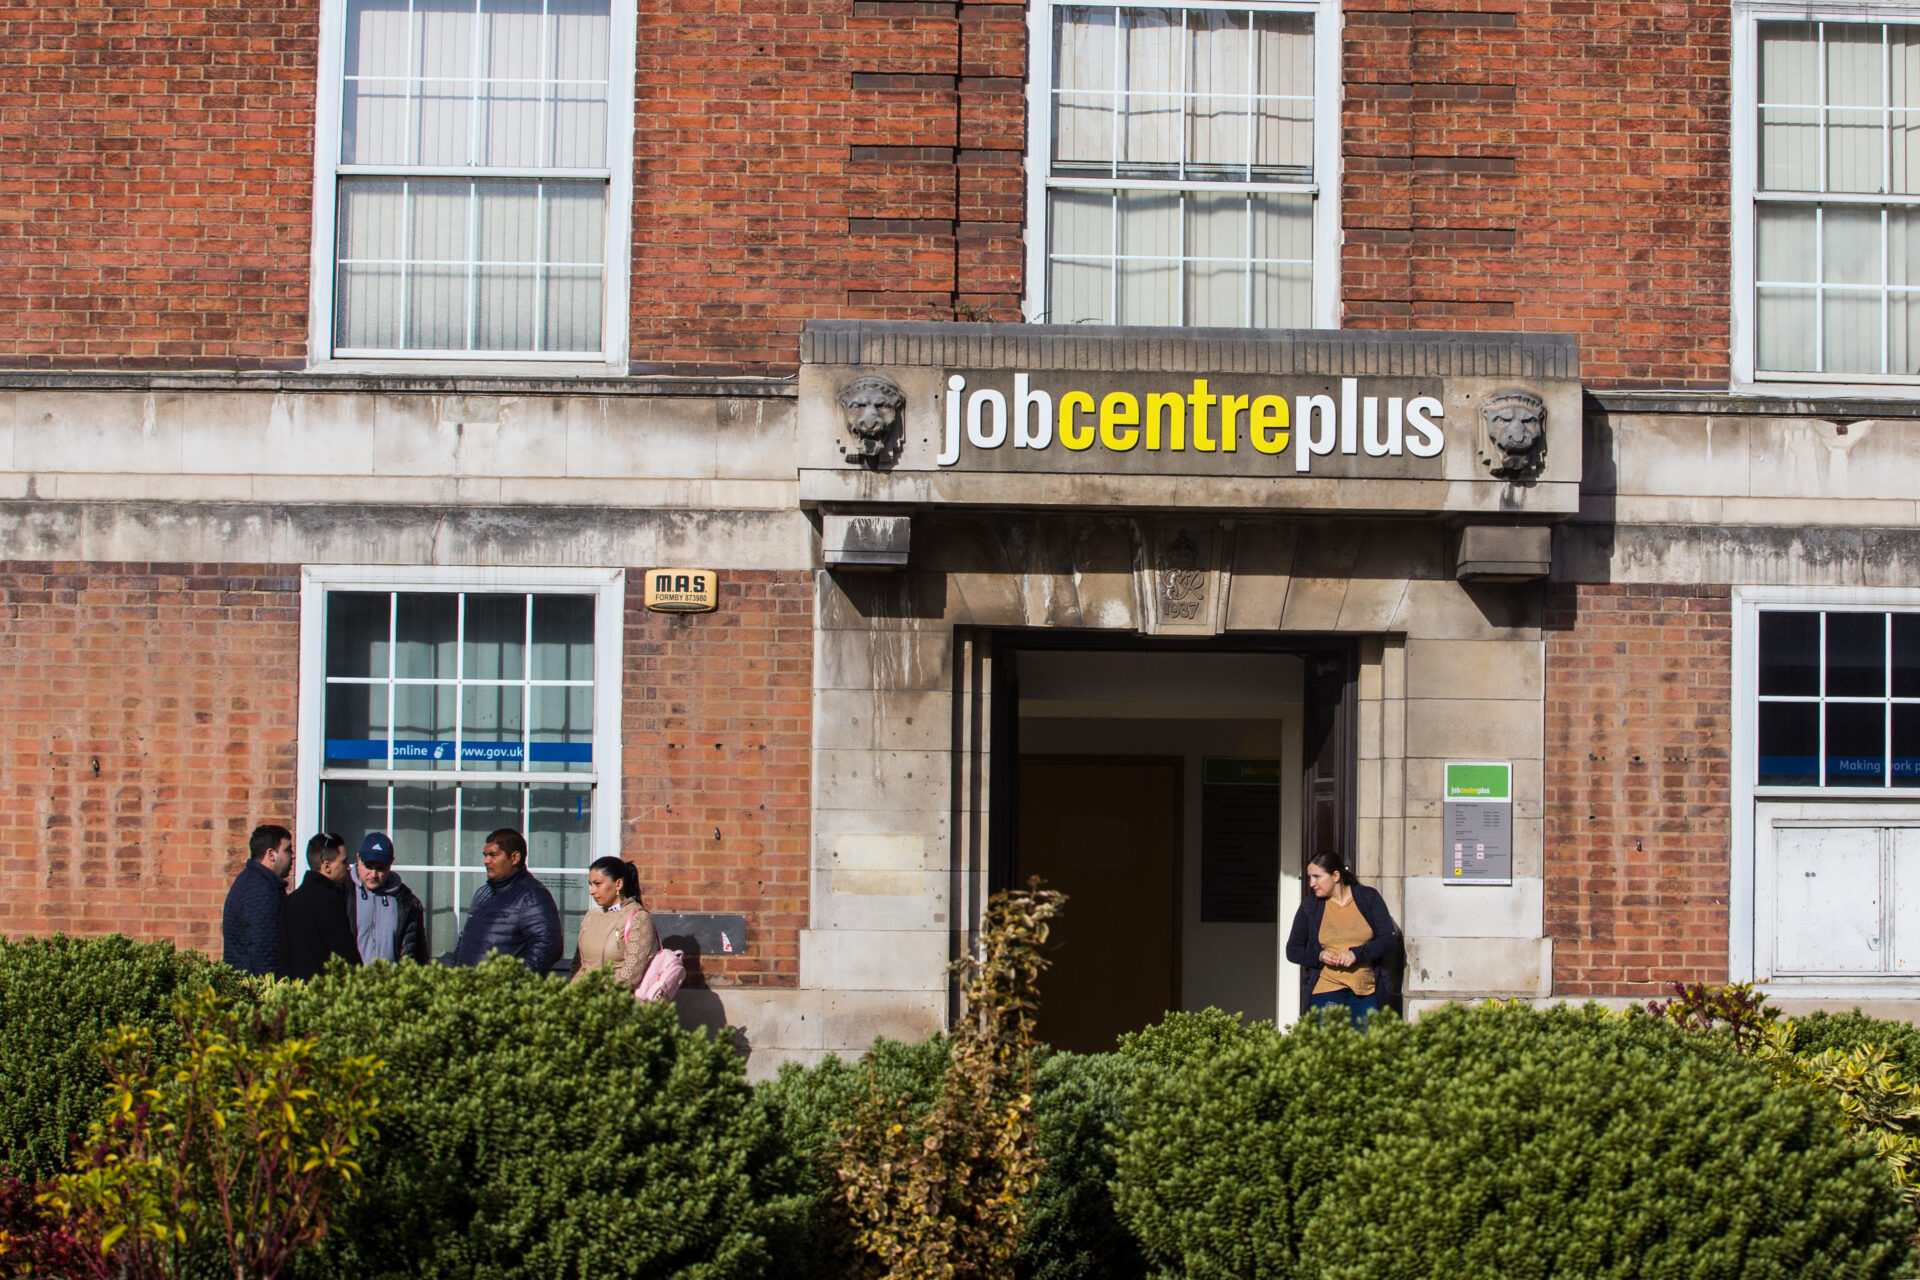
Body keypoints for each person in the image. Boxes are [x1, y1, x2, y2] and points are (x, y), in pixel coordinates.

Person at [1283, 850, 1401, 1028]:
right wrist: (1320, 956)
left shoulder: (1368, 898)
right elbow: (1293, 950)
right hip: (1326, 989)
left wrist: (1356, 954)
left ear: (1336, 876)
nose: (1312, 883)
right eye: (1310, 877)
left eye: (1317, 877)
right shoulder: (1310, 906)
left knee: (1368, 1044)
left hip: (1366, 991)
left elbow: (1388, 940)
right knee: (1330, 1043)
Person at [451, 828, 562, 973]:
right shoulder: (483, 893)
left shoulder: (532, 895)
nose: (486, 861)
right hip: (467, 984)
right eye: (485, 855)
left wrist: (513, 980)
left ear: (515, 858)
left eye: (493, 855)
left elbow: (548, 945)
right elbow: (464, 942)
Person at [279, 833, 363, 980]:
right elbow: (345, 954)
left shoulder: (291, 900)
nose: (349, 867)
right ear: (327, 866)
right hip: (324, 989)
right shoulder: (330, 901)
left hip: (294, 989)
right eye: (344, 862)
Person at [570, 855, 658, 991]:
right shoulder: (591, 916)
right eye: (590, 884)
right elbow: (579, 966)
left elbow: (630, 974)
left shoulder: (639, 918)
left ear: (618, 884)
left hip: (614, 1000)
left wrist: (598, 996)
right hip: (582, 998)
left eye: (598, 884)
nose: (591, 891)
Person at [221, 823, 293, 977]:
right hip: (255, 985)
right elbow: (264, 949)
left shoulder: (250, 880)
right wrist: (272, 986)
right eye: (287, 850)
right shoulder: (263, 890)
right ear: (271, 854)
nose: (293, 856)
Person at [348, 831, 427, 964]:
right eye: (368, 866)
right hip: (351, 976)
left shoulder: (408, 902)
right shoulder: (341, 895)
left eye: (380, 868)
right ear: (358, 858)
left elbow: (419, 955)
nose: (373, 875)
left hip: (392, 977)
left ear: (391, 863)